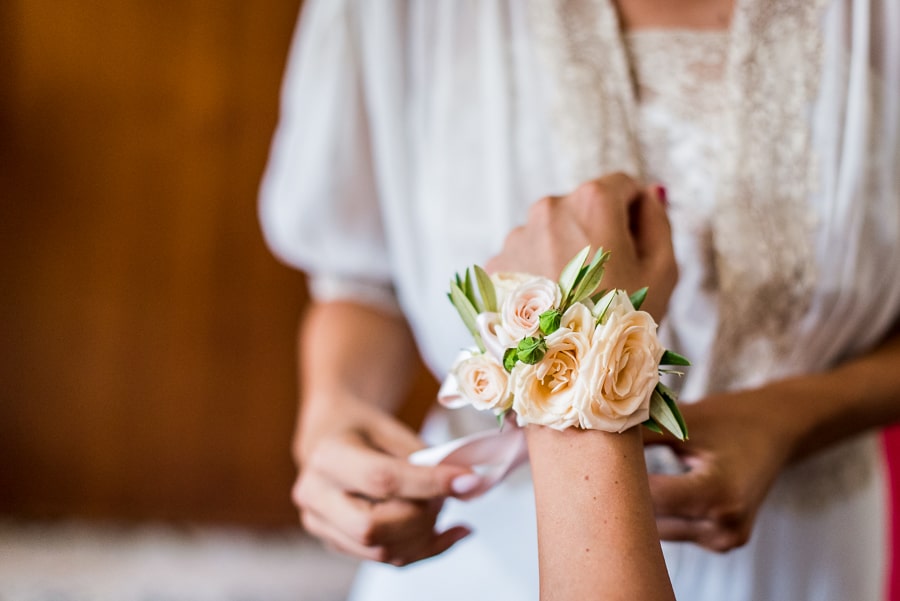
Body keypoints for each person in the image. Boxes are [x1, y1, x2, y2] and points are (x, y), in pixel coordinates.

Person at [259, 1, 900, 600]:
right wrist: (333, 413)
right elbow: (359, 277)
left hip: (800, 554)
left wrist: (791, 417)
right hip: (485, 540)